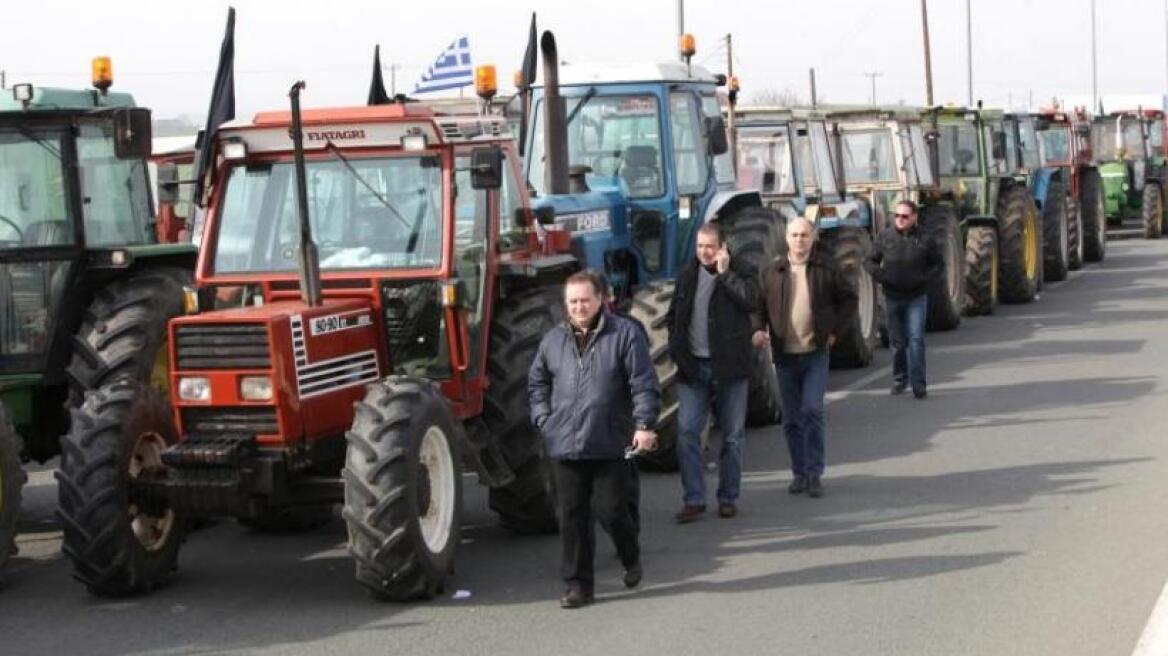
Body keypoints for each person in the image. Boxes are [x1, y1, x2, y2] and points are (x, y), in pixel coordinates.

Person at [528, 270, 660, 609]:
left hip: (609, 440)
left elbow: (643, 383)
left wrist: (644, 424)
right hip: (565, 444)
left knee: (611, 510)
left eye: (585, 300)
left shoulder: (626, 335)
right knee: (571, 517)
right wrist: (544, 419)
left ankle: (630, 555)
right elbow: (537, 384)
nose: (579, 307)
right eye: (572, 301)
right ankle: (577, 586)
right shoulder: (553, 340)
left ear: (601, 299)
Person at [753, 218, 856, 498]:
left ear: (813, 238)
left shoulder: (825, 268)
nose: (799, 240)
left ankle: (814, 473)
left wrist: (835, 331)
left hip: (815, 354)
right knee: (791, 419)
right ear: (787, 238)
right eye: (795, 235)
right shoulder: (772, 272)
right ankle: (799, 473)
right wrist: (756, 330)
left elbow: (849, 299)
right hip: (785, 357)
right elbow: (758, 306)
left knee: (812, 409)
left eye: (804, 235)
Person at [667, 222, 759, 522]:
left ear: (722, 247)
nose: (704, 252)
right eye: (699, 246)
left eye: (709, 246)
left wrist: (725, 274)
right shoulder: (687, 274)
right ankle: (694, 498)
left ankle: (728, 497)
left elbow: (750, 300)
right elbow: (674, 317)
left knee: (732, 436)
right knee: (687, 433)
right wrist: (678, 352)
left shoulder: (742, 270)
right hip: (694, 368)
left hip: (730, 367)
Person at [863, 200, 941, 399]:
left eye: (905, 216)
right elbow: (869, 261)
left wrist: (924, 279)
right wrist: (882, 277)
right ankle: (899, 379)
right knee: (897, 343)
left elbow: (938, 265)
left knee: (916, 339)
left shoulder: (926, 238)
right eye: (896, 216)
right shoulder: (886, 237)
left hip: (917, 297)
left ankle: (919, 384)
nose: (900, 220)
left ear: (914, 217)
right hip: (893, 297)